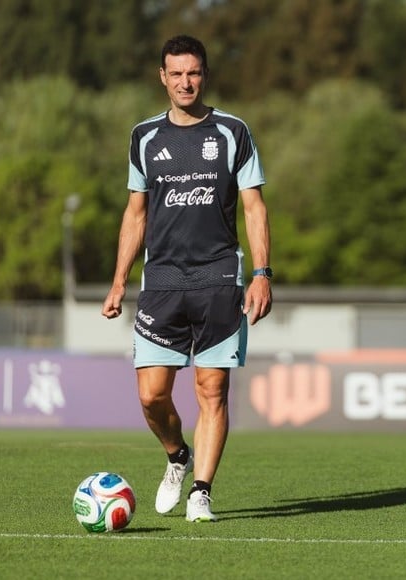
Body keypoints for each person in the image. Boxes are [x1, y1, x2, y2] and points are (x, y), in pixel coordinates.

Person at [101, 34, 272, 523]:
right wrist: (118, 281)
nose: (185, 82)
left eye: (193, 72)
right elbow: (136, 216)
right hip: (162, 282)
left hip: (220, 277)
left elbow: (254, 206)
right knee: (151, 395)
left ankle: (202, 491)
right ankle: (178, 455)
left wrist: (261, 273)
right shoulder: (144, 138)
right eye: (175, 73)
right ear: (162, 77)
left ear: (205, 74)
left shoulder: (234, 132)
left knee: (211, 390)